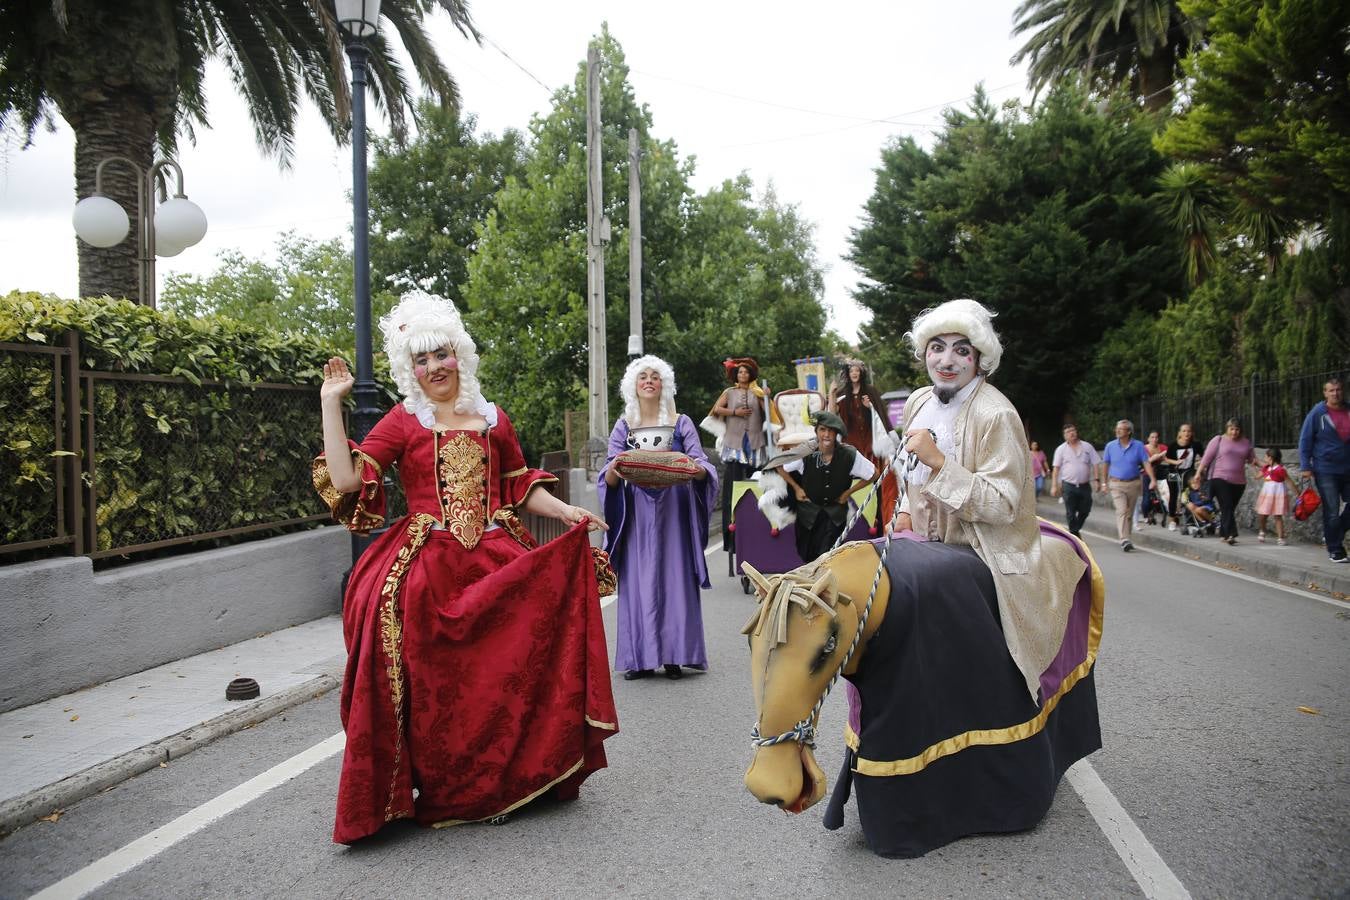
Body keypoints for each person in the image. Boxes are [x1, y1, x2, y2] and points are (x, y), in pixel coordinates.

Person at [314, 291, 616, 844]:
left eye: (442, 355)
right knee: (421, 668)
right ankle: (437, 787)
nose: (434, 368)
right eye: (422, 360)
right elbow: (350, 481)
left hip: (496, 554)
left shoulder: (493, 419)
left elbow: (521, 488)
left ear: (461, 356)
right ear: (411, 369)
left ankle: (507, 777)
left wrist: (569, 511)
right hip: (428, 562)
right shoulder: (404, 422)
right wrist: (332, 404)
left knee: (511, 666)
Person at [891, 298, 1089, 698]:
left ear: (979, 359)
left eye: (961, 350)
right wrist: (906, 510)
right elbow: (906, 474)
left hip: (981, 555)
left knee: (966, 676)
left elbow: (1002, 503)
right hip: (921, 550)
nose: (946, 360)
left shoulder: (996, 414)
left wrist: (940, 464)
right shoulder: (918, 401)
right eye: (937, 347)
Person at [599, 355, 717, 681]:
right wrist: (616, 468)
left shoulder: (681, 423)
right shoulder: (624, 425)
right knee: (638, 580)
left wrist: (692, 470)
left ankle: (675, 654)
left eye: (655, 376)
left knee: (675, 577)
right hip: (637, 511)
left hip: (674, 509)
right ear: (633, 386)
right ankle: (640, 657)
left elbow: (702, 464)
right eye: (642, 377)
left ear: (664, 384)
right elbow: (608, 476)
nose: (649, 381)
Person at [778, 410, 876, 565]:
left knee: (828, 557)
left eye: (831, 431)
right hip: (808, 514)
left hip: (834, 514)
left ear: (836, 433)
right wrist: (796, 488)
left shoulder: (849, 454)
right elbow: (780, 466)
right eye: (822, 430)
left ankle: (823, 586)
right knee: (806, 554)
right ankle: (813, 583)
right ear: (816, 431)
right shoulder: (806, 451)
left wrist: (847, 493)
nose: (826, 435)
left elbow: (874, 474)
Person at [829, 358, 900, 520]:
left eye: (857, 370)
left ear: (861, 373)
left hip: (870, 443)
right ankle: (854, 515)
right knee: (853, 479)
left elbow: (880, 416)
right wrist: (832, 394)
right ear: (847, 374)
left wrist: (870, 407)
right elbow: (832, 415)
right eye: (851, 371)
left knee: (878, 480)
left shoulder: (870, 391)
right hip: (852, 444)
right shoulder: (841, 394)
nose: (854, 373)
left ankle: (878, 517)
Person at [710, 358, 769, 545]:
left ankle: (758, 532)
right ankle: (732, 536)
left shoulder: (757, 393)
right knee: (733, 489)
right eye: (740, 372)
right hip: (734, 444)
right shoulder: (729, 392)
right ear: (736, 375)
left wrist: (767, 398)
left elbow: (769, 414)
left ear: (751, 374)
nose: (743, 375)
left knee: (756, 487)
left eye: (746, 372)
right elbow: (717, 409)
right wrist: (735, 413)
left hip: (754, 443)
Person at [1298, 378, 1350, 562]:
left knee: (1340, 515)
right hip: (1325, 469)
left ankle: (1332, 534)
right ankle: (1335, 550)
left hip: (1347, 468)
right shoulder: (1318, 413)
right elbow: (1305, 440)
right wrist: (1305, 466)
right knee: (1332, 510)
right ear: (1325, 393)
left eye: (1338, 389)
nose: (1335, 393)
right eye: (1331, 390)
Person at [1197, 417, 1258, 545]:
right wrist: (1198, 473)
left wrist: (1268, 466)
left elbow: (1252, 459)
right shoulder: (1218, 440)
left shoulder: (1246, 442)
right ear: (1227, 429)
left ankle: (1224, 533)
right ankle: (1231, 534)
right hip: (1219, 477)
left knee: (1228, 508)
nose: (1234, 432)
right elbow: (1206, 458)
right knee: (1228, 505)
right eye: (1231, 429)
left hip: (1239, 481)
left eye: (1237, 429)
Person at [1099, 420, 1155, 552]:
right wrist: (1104, 482)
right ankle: (1124, 539)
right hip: (1116, 483)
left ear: (1129, 431)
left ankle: (1127, 538)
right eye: (1117, 428)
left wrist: (1152, 479)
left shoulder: (1138, 446)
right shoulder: (1110, 446)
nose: (1117, 431)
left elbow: (1146, 463)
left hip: (1134, 483)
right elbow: (1105, 464)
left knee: (1129, 513)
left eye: (1121, 429)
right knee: (1122, 510)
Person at [1050, 423, 1101, 538]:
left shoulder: (1087, 447)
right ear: (1064, 435)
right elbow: (1056, 469)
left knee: (1086, 509)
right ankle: (1074, 533)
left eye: (1073, 430)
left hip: (1084, 485)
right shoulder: (1061, 449)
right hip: (1068, 485)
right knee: (1070, 511)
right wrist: (1054, 485)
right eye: (1068, 432)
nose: (1072, 433)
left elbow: (1096, 463)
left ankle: (1075, 528)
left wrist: (1097, 480)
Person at [1161, 423, 1201, 530]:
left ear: (1192, 433)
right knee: (1174, 495)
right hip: (1173, 473)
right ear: (1179, 433)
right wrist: (1176, 462)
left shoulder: (1195, 445)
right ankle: (1172, 519)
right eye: (1184, 431)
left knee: (1187, 496)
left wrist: (1201, 466)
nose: (1186, 433)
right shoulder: (1173, 445)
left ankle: (1190, 520)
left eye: (1188, 431)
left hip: (1188, 473)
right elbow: (1166, 459)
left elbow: (1204, 455)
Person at [1254, 448, 1289, 545]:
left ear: (1271, 458)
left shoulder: (1280, 470)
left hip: (1277, 494)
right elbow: (1257, 477)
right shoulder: (1266, 468)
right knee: (1263, 514)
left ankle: (1280, 537)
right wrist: (1254, 467)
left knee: (1278, 515)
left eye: (1266, 456)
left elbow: (1289, 481)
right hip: (1267, 494)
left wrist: (1298, 493)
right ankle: (1262, 531)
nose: (1264, 458)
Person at [1136, 431, 1168, 526]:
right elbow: (1143, 462)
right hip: (1147, 474)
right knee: (1146, 496)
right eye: (1152, 437)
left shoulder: (1162, 447)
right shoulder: (1144, 449)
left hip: (1160, 474)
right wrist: (1155, 458)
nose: (1154, 439)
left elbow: (1169, 455)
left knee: (1165, 494)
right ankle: (1145, 515)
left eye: (1156, 437)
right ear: (1148, 439)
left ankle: (1168, 513)